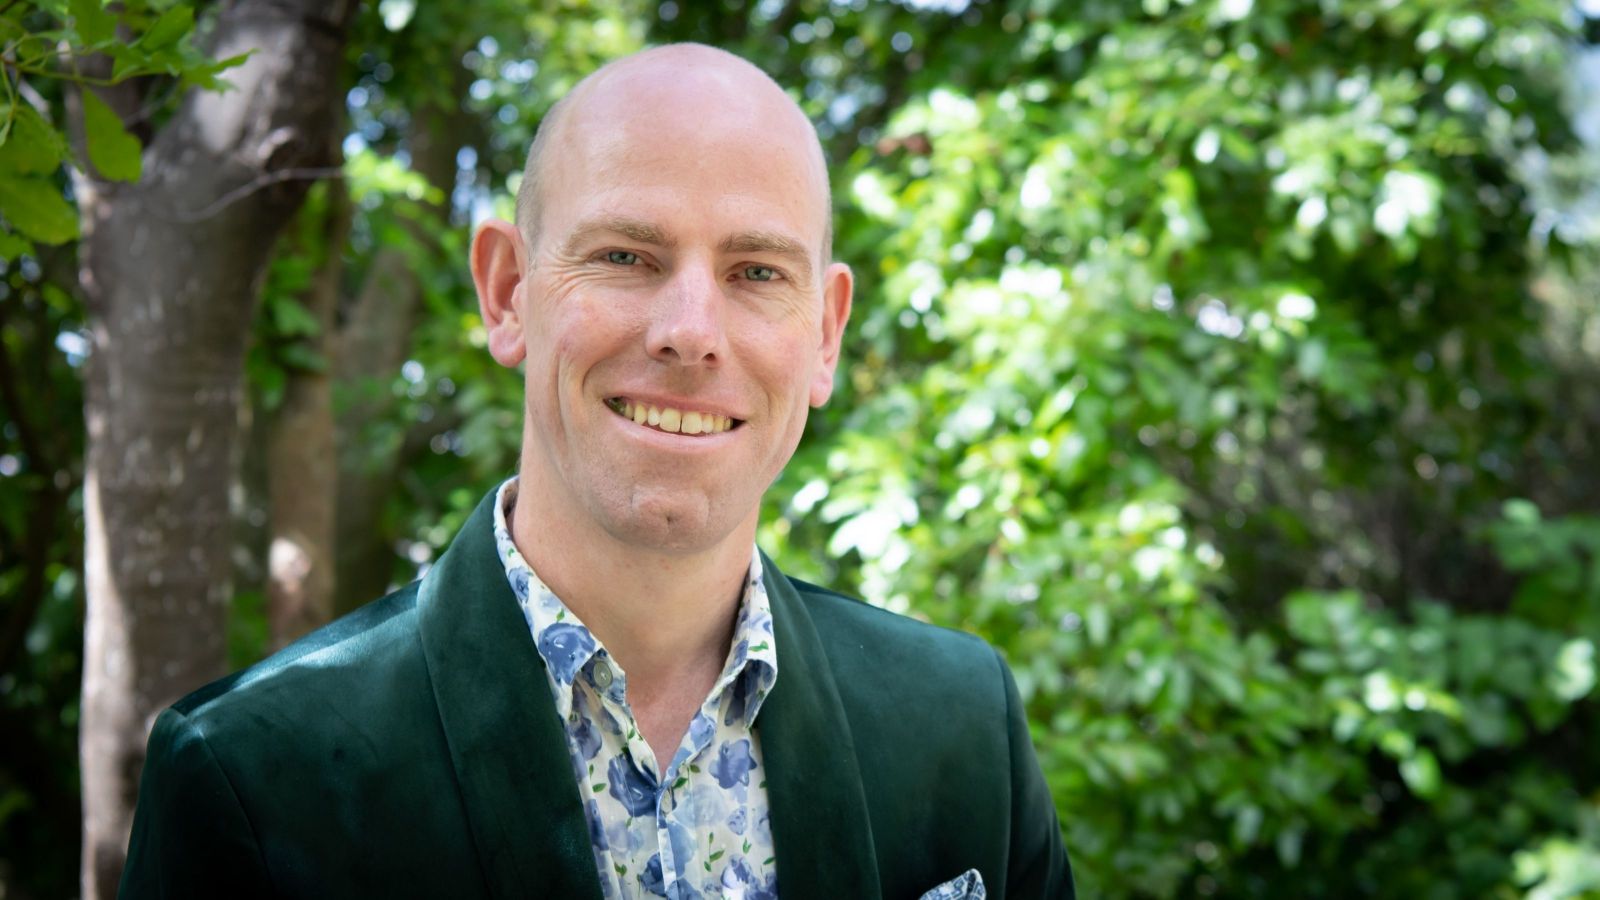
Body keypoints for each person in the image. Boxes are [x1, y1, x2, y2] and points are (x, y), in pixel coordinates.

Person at [118, 43, 1072, 900]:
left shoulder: (962, 726)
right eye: (625, 255)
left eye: (756, 273)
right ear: (506, 293)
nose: (690, 333)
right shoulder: (249, 775)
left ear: (824, 334)